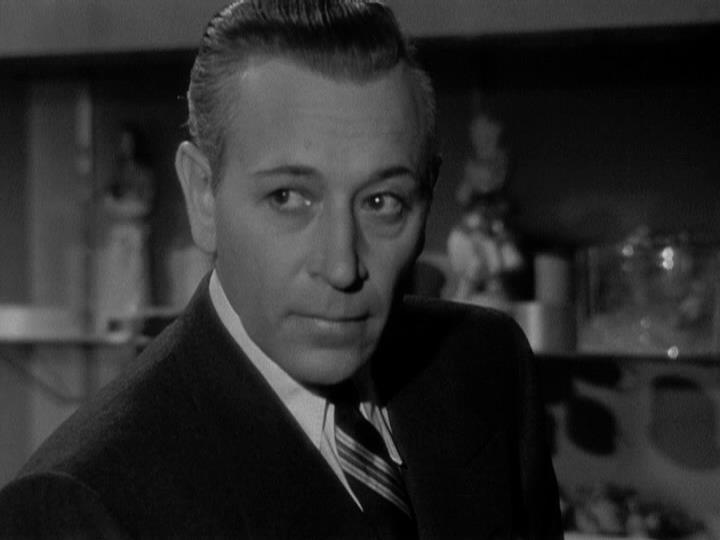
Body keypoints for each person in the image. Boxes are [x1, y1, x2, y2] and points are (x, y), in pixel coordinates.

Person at [0, 1, 561, 538]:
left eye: (381, 202)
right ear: (203, 196)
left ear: (429, 196)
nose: (341, 266)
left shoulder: (486, 366)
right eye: (288, 197)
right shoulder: (82, 502)